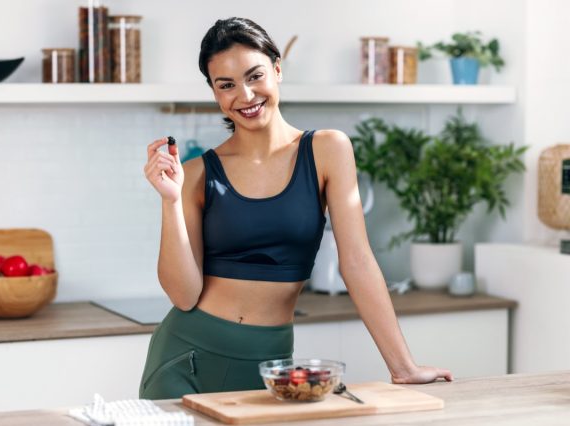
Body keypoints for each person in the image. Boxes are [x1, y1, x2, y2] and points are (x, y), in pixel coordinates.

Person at [139, 17, 452, 399]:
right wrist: (170, 201)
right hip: (184, 359)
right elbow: (184, 295)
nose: (246, 95)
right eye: (227, 85)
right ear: (215, 94)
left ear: (277, 69)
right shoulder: (196, 174)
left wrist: (403, 367)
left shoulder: (327, 150)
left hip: (268, 366)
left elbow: (357, 260)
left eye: (255, 76)